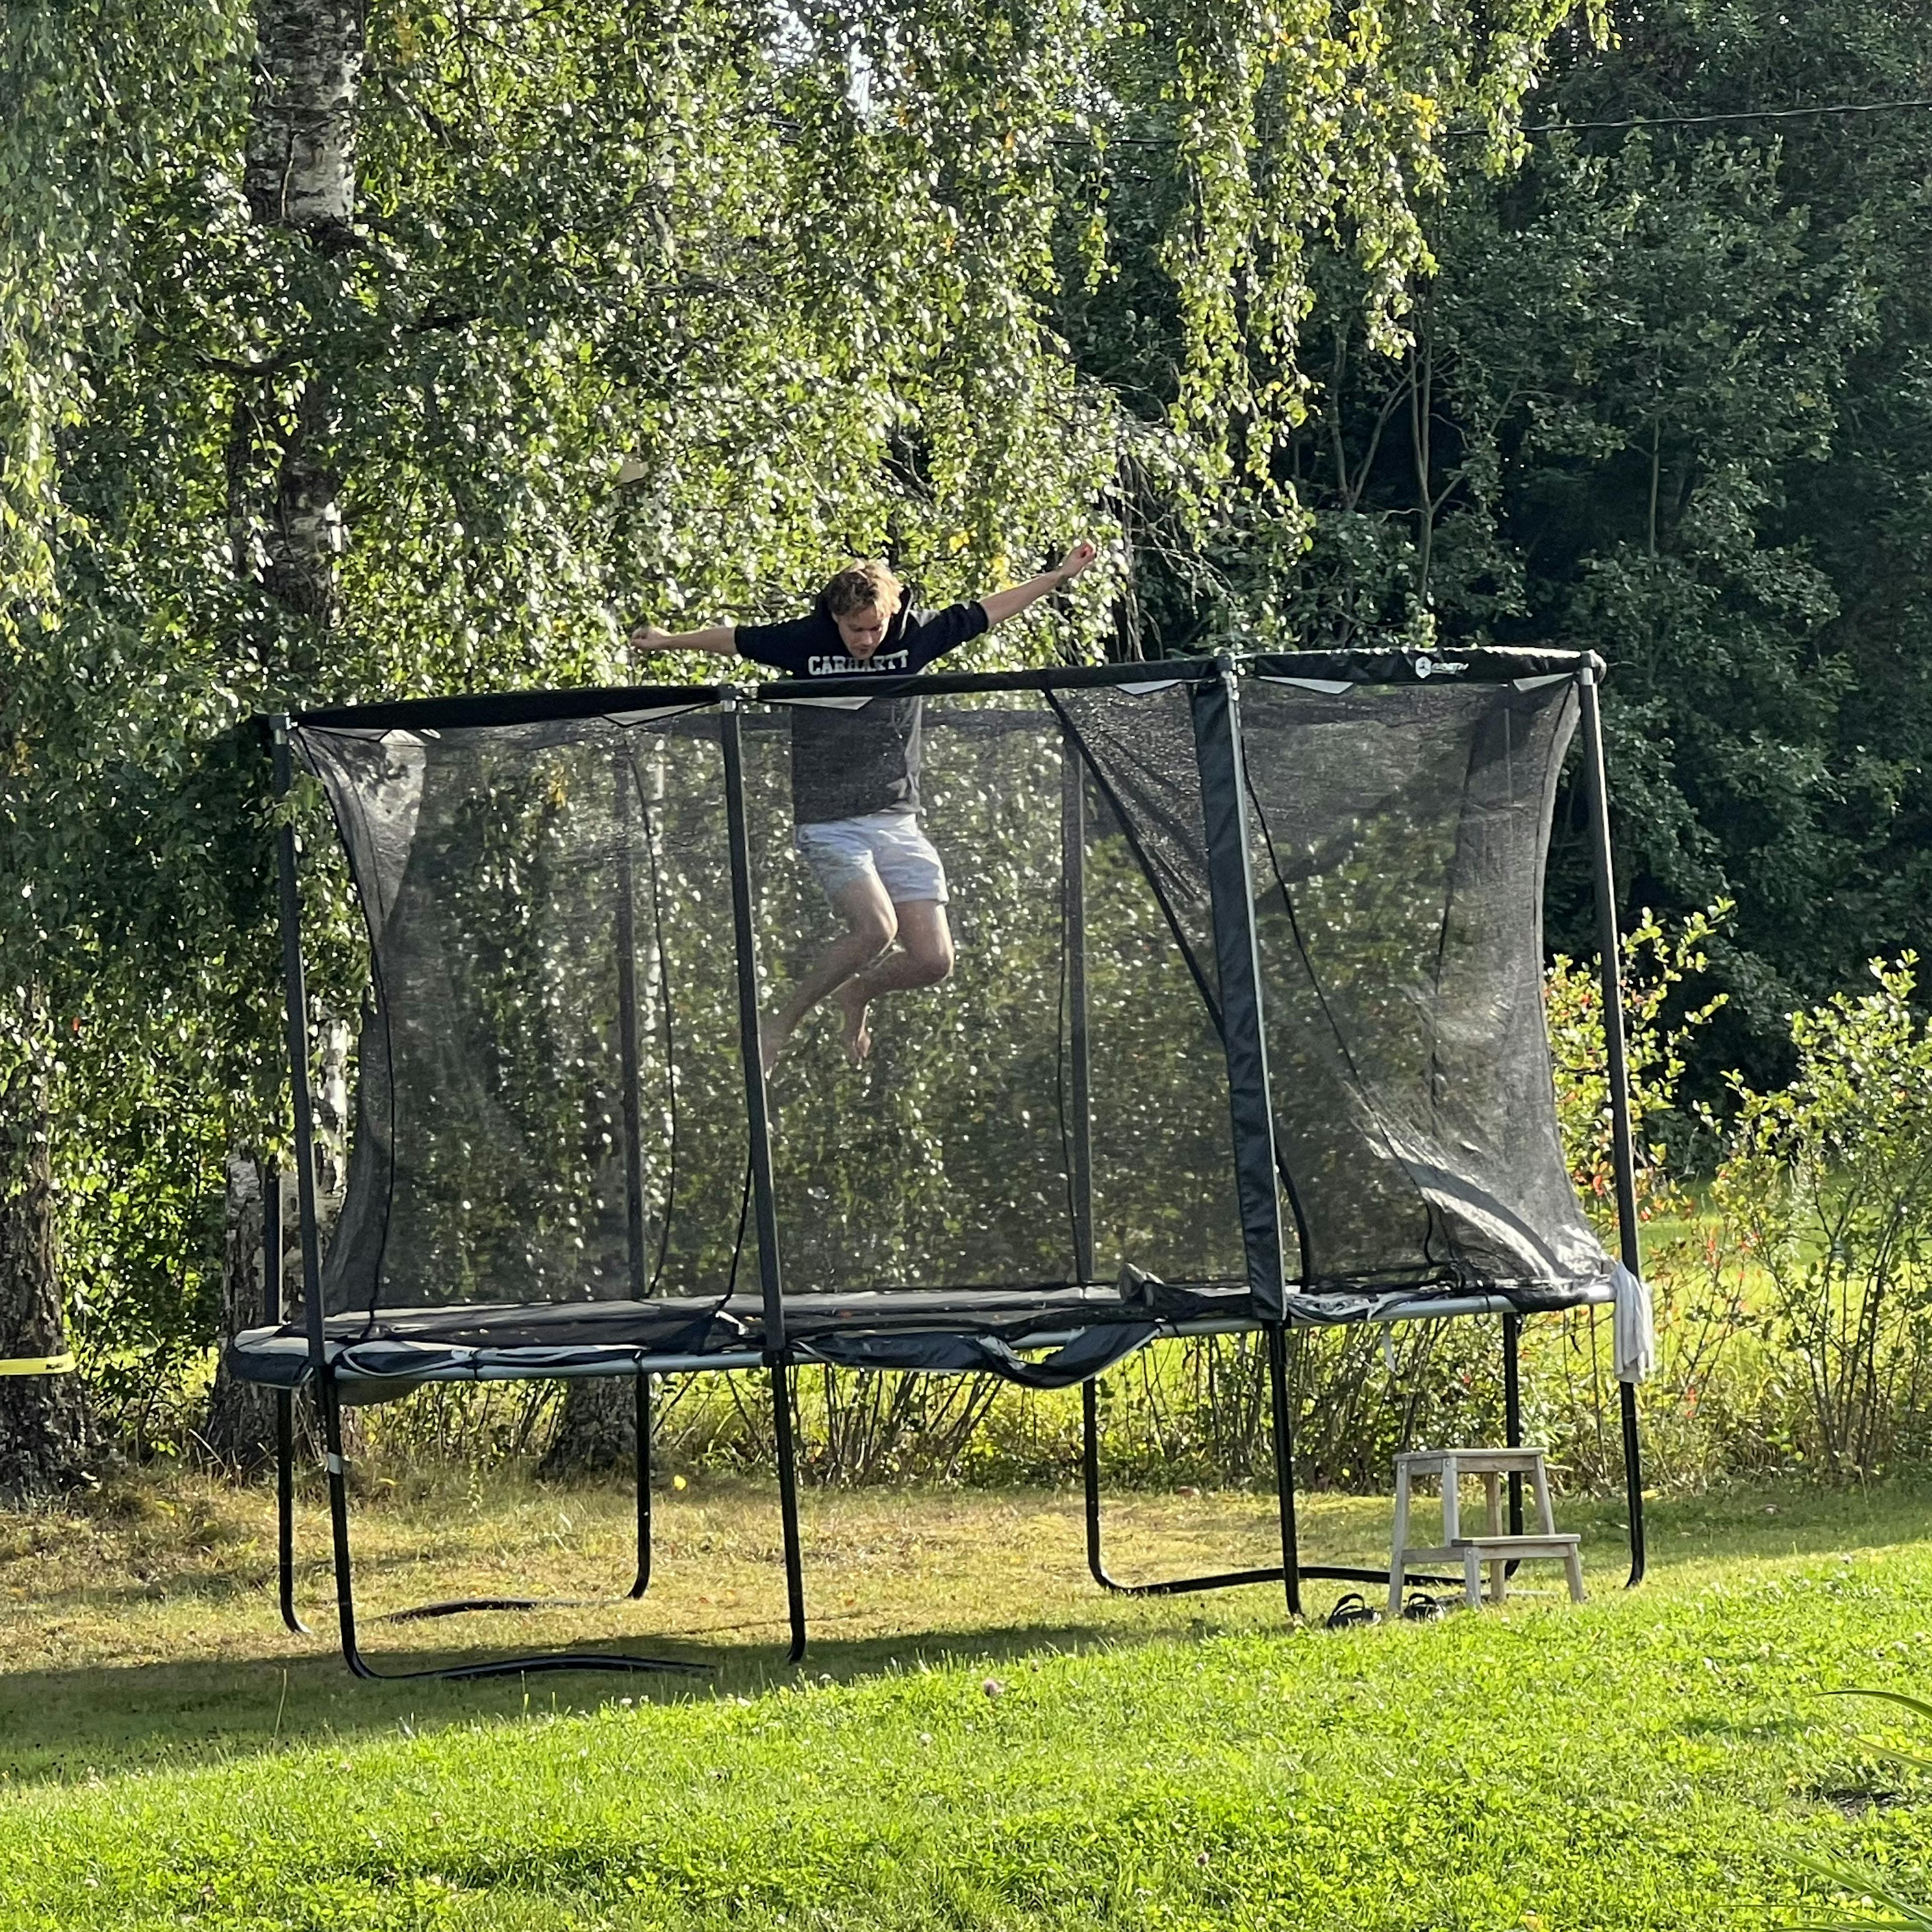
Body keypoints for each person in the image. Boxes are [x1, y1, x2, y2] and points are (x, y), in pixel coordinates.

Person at [632, 540, 1097, 1072]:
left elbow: (992, 608)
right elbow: (734, 640)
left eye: (875, 629)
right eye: (856, 631)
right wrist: (669, 641)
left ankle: (857, 995)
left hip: (897, 818)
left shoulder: (915, 635)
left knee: (933, 961)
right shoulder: (805, 641)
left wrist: (1059, 576)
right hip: (830, 821)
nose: (867, 641)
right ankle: (780, 1023)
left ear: (891, 614)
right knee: (876, 929)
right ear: (836, 618)